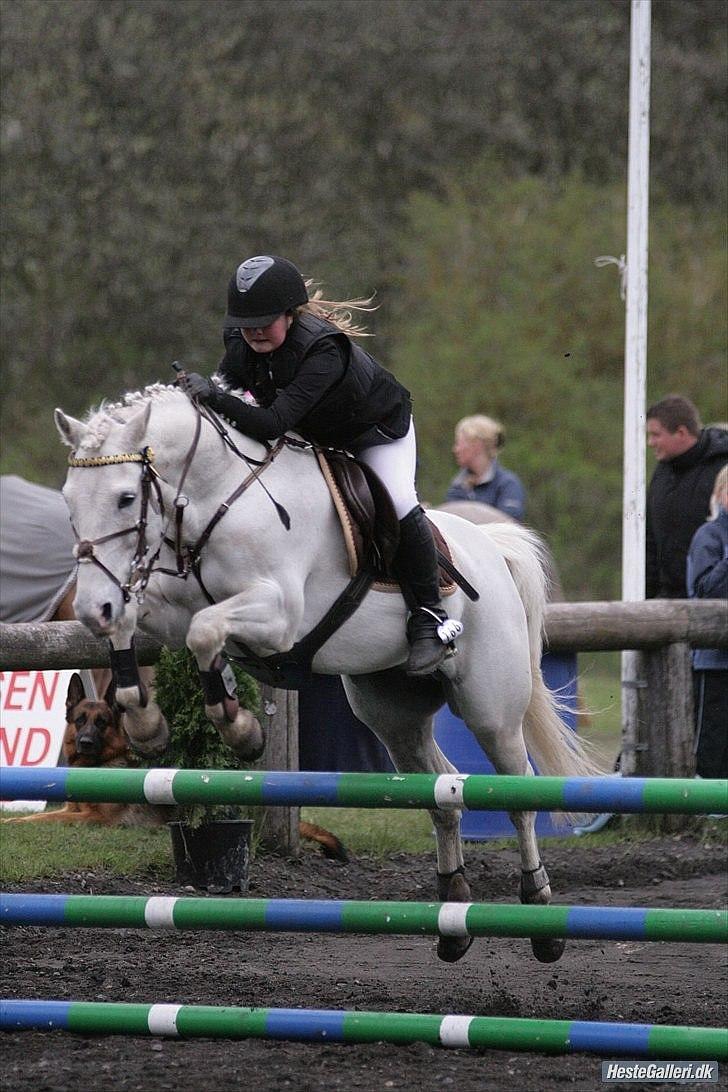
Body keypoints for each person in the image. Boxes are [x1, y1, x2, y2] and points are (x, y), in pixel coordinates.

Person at [177, 254, 461, 676]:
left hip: (374, 433)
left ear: (290, 315)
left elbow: (271, 422)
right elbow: (231, 390)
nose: (254, 330)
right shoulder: (240, 338)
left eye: (265, 320)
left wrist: (216, 398)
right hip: (313, 434)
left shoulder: (322, 350)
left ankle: (430, 617)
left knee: (399, 502)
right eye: (246, 321)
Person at [645, 395, 728, 598]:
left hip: (710, 597)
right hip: (666, 601)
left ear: (681, 433)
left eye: (656, 435)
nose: (650, 442)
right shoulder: (662, 474)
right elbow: (650, 540)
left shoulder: (721, 467)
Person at [686, 465, 728, 779]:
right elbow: (704, 590)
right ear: (719, 494)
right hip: (715, 662)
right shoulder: (709, 536)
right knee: (712, 746)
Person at [444, 414, 526, 521]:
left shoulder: (508, 484)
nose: (455, 449)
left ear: (476, 445)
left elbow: (508, 525)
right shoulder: (458, 485)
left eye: (458, 443)